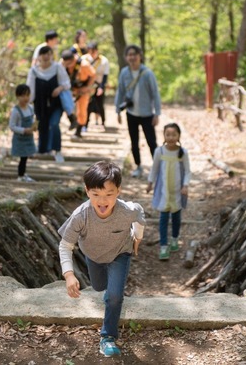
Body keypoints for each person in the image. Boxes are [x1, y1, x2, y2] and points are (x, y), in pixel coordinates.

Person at [58, 161, 145, 357]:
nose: (102, 201)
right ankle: (109, 295)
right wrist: (69, 274)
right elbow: (65, 245)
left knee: (114, 296)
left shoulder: (126, 210)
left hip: (120, 253)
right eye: (96, 194)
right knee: (98, 286)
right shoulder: (81, 216)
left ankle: (108, 337)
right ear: (87, 191)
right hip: (93, 255)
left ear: (118, 191)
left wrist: (137, 237)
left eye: (109, 194)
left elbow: (139, 213)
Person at [115, 44, 161, 178]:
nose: (132, 57)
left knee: (151, 142)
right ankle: (138, 166)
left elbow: (155, 94)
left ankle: (157, 168)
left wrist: (157, 113)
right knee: (134, 141)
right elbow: (120, 91)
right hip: (131, 113)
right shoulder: (124, 73)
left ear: (140, 56)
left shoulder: (147, 73)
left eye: (134, 54)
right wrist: (117, 110)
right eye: (129, 55)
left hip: (147, 114)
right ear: (126, 57)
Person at [146, 123, 191, 260]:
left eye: (174, 134)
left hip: (177, 191)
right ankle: (164, 246)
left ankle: (175, 238)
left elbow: (188, 171)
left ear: (178, 136)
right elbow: (154, 169)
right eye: (168, 134)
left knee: (176, 218)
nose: (171, 137)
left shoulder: (182, 152)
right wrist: (150, 183)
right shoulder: (159, 151)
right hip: (163, 191)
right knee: (163, 218)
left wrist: (186, 185)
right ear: (164, 136)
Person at [26, 45, 71, 163]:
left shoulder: (57, 67)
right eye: (43, 54)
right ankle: (43, 150)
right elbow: (30, 90)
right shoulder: (34, 71)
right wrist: (27, 103)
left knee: (54, 124)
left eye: (49, 54)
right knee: (42, 126)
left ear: (52, 55)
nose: (46, 56)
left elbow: (67, 83)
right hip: (40, 104)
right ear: (39, 56)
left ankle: (57, 150)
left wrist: (59, 88)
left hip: (56, 104)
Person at [32, 30, 77, 130]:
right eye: (55, 39)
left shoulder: (53, 50)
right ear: (50, 40)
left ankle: (70, 114)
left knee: (64, 92)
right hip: (42, 78)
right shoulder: (42, 48)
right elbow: (35, 63)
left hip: (53, 78)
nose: (57, 41)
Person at [61, 49, 95, 139]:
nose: (67, 66)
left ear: (73, 60)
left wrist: (87, 87)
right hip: (70, 88)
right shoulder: (62, 64)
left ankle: (79, 130)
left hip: (82, 88)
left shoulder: (84, 65)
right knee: (66, 104)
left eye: (69, 64)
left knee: (82, 109)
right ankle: (72, 120)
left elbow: (93, 75)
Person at [9, 84, 37, 182]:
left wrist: (34, 127)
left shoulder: (30, 108)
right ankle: (20, 176)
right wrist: (24, 130)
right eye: (23, 95)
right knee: (23, 157)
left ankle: (23, 174)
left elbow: (32, 120)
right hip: (20, 138)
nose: (26, 98)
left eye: (27, 95)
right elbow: (12, 126)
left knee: (25, 157)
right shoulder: (15, 111)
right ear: (17, 96)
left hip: (29, 137)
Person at [84, 42, 110, 128]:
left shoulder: (104, 61)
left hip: (99, 84)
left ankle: (103, 122)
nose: (91, 54)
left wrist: (101, 87)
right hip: (88, 85)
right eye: (90, 52)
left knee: (100, 104)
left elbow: (105, 76)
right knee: (88, 105)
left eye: (93, 52)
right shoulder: (84, 59)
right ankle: (85, 124)